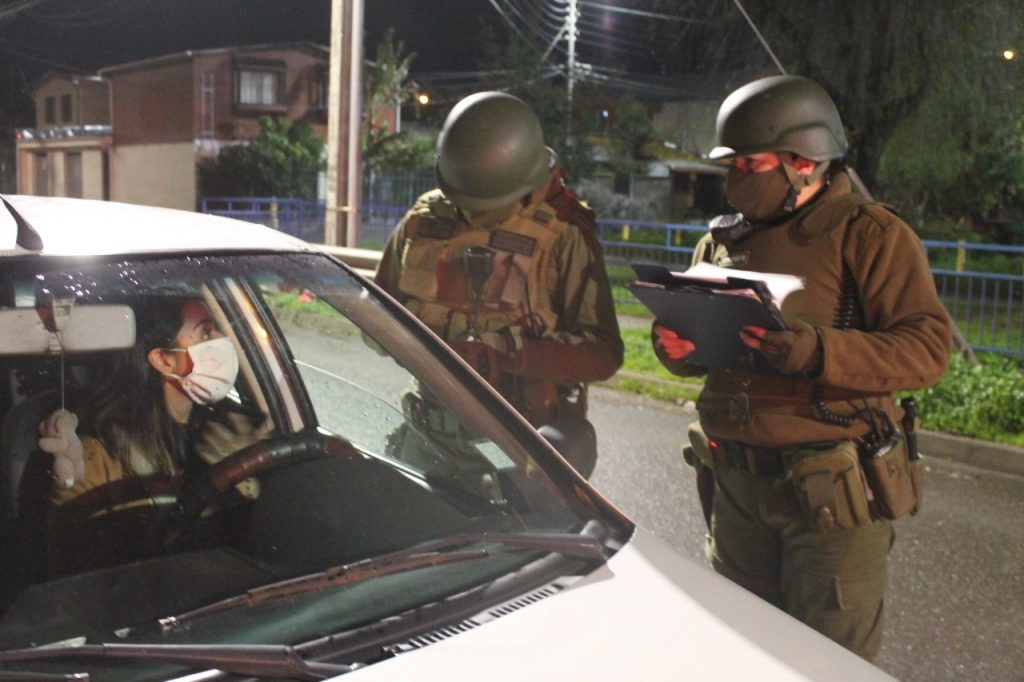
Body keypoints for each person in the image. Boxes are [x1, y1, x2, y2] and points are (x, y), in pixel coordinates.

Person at [652, 75, 952, 659]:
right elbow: (705, 349)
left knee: (826, 661)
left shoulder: (870, 236)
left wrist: (819, 352)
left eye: (751, 164)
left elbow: (927, 349)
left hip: (830, 495)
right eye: (732, 164)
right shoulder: (720, 242)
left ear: (805, 162)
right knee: (742, 653)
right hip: (735, 485)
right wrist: (679, 350)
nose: (736, 177)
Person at [376, 91, 623, 479]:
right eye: (463, 199)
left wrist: (507, 355)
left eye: (488, 202)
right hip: (427, 438)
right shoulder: (425, 218)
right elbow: (376, 314)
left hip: (521, 449)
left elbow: (603, 353)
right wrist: (416, 343)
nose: (473, 213)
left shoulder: (564, 232)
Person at [39, 294, 269, 570]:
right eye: (206, 333)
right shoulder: (100, 456)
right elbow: (80, 568)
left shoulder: (228, 426)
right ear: (163, 360)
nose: (223, 339)